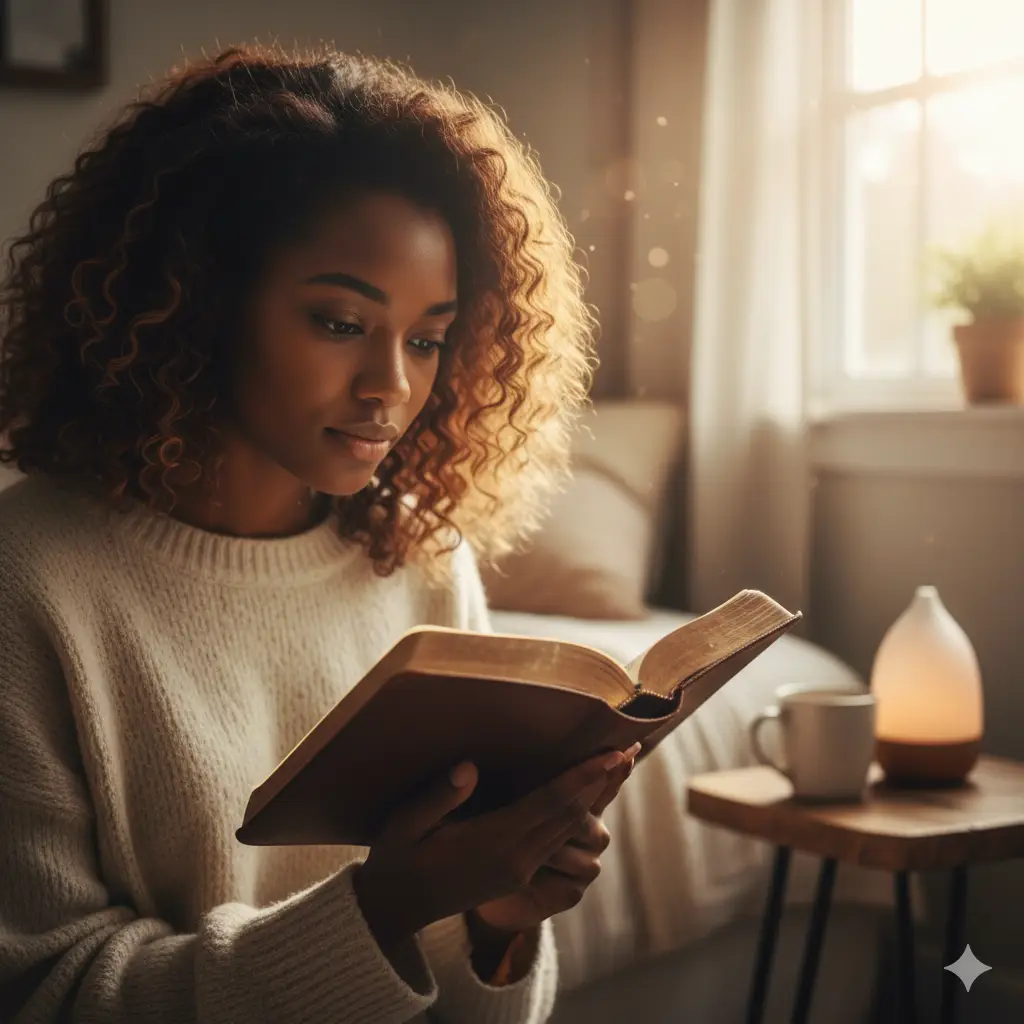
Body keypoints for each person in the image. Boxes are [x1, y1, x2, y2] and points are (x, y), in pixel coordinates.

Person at [0, 45, 640, 1024]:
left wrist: (495, 921)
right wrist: (382, 910)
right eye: (341, 322)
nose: (392, 386)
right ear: (200, 299)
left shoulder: (424, 561)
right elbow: (47, 992)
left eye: (427, 339)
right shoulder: (29, 577)